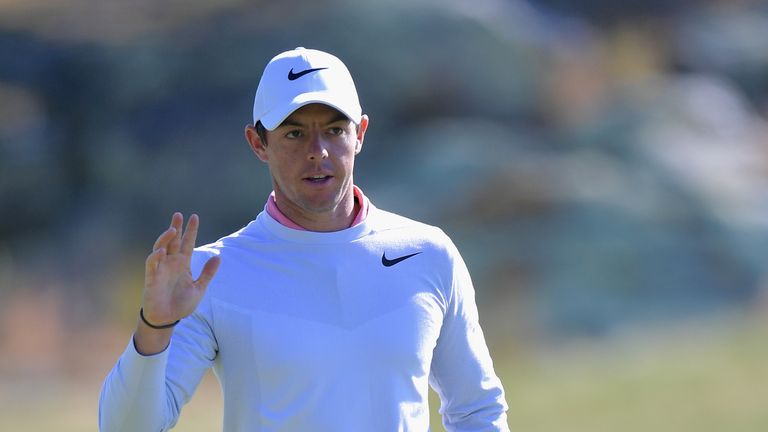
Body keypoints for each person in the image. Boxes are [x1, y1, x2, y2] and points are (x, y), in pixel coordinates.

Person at [99, 47, 509, 431]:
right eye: (294, 134)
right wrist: (154, 326)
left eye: (334, 129)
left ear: (360, 133)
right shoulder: (210, 274)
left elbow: (477, 410)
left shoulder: (428, 254)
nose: (318, 151)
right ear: (258, 143)